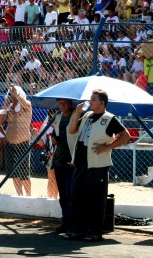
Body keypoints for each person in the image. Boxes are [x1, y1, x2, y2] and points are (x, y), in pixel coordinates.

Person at [63, 89, 131, 242]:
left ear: (102, 103)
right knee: (78, 196)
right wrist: (77, 114)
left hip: (98, 165)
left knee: (96, 199)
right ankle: (77, 229)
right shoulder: (87, 116)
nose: (90, 102)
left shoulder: (109, 119)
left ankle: (95, 231)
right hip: (81, 162)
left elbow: (126, 135)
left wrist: (108, 147)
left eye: (93, 99)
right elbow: (72, 130)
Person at [0, 85, 33, 196]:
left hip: (23, 144)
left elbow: (26, 104)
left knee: (24, 174)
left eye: (13, 95)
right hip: (10, 144)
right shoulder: (9, 108)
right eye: (10, 95)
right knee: (14, 173)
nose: (11, 97)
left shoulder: (27, 105)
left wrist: (17, 94)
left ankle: (28, 196)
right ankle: (19, 195)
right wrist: (4, 106)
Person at [51, 98, 77, 233]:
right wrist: (53, 138)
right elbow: (54, 134)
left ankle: (74, 223)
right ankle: (66, 221)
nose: (62, 105)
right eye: (60, 103)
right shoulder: (57, 116)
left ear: (70, 103)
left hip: (72, 161)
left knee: (71, 192)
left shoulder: (77, 116)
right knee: (63, 194)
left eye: (64, 103)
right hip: (59, 159)